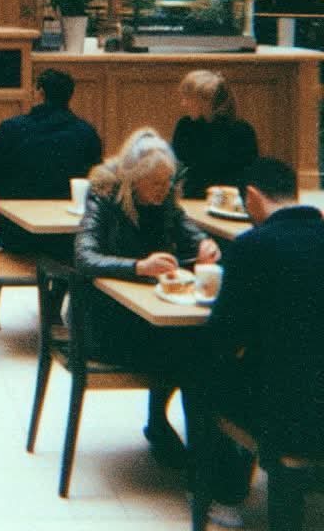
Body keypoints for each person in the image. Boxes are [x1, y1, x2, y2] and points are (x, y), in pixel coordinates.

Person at [75, 128, 221, 467]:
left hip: (149, 312)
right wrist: (138, 266)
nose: (164, 189)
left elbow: (186, 227)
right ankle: (192, 453)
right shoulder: (104, 197)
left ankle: (192, 445)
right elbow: (84, 257)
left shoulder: (165, 198)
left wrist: (203, 243)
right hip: (106, 319)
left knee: (197, 343)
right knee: (190, 352)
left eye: (168, 182)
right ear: (132, 179)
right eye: (155, 183)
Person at [198, 157, 324, 525]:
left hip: (289, 415)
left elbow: (223, 335)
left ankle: (223, 492)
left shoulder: (252, 246)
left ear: (251, 197)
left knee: (202, 375)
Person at [0, 67, 102, 259]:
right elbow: (97, 181)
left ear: (40, 92)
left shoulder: (12, 128)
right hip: (68, 237)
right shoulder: (86, 133)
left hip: (16, 235)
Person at [171, 70, 258, 200]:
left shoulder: (242, 131)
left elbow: (248, 176)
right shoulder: (185, 126)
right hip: (193, 199)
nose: (183, 104)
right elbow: (177, 167)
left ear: (205, 101)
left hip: (230, 200)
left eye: (187, 98)